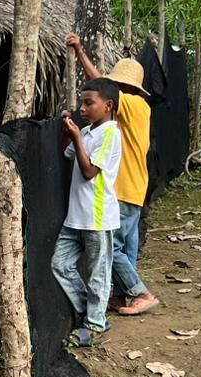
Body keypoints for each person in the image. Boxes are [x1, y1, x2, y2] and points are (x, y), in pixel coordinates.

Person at [66, 33, 160, 316]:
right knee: (127, 248)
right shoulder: (136, 111)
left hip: (121, 189)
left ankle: (139, 292)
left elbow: (99, 87)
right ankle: (124, 297)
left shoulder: (133, 105)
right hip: (135, 188)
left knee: (112, 248)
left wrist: (81, 52)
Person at [51, 79, 123, 347]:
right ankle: (94, 314)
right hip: (76, 217)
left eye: (89, 103)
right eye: (82, 102)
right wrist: (67, 132)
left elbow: (89, 171)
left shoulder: (110, 134)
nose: (83, 108)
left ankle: (94, 326)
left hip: (97, 217)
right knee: (59, 264)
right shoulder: (90, 132)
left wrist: (78, 137)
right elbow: (66, 153)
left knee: (98, 274)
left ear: (108, 105)